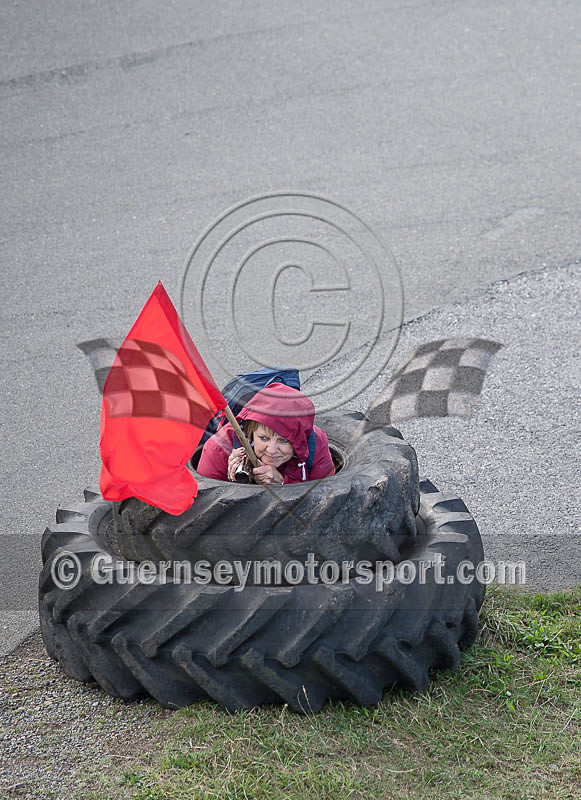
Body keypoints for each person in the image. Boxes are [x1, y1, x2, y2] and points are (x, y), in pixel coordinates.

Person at [197, 382, 335, 485]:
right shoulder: (218, 448)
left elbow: (327, 497)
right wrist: (234, 483)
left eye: (284, 440)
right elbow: (205, 506)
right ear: (251, 433)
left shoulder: (315, 444)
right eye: (264, 438)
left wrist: (283, 483)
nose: (272, 450)